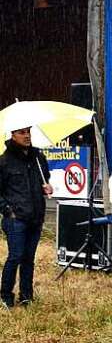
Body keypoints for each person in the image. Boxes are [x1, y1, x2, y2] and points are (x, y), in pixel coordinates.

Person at [0, 127, 52, 308]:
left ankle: (26, 297)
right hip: (15, 219)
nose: (27, 135)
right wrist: (7, 211)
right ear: (12, 135)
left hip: (35, 217)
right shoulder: (4, 161)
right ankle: (6, 297)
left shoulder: (38, 158)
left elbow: (45, 179)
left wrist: (47, 187)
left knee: (28, 259)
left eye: (28, 131)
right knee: (15, 256)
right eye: (21, 132)